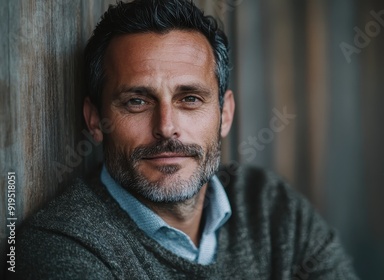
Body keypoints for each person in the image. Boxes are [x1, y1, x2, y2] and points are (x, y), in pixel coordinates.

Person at [12, 0, 359, 279]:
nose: (166, 127)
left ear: (225, 115)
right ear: (94, 120)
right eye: (137, 101)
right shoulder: (63, 245)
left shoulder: (272, 208)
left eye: (190, 98)